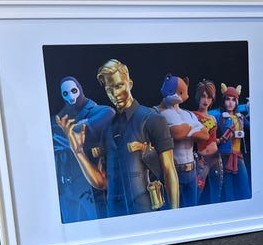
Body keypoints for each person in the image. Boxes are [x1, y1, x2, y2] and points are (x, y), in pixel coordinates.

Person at [57, 60, 179, 217]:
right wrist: (78, 151)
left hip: (146, 213)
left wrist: (175, 216)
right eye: (109, 89)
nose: (115, 94)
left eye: (119, 86)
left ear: (130, 84)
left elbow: (169, 170)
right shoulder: (108, 128)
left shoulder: (152, 119)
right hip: (114, 215)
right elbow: (101, 182)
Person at [51, 76, 114, 222]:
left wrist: (82, 127)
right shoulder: (62, 116)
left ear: (79, 89)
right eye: (66, 93)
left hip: (87, 183)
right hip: (66, 185)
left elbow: (109, 113)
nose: (71, 96)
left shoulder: (94, 110)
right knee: (69, 225)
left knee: (99, 223)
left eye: (73, 91)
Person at [155, 74, 208, 208]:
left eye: (180, 92)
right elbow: (178, 133)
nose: (176, 95)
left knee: (192, 209)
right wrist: (192, 127)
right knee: (171, 210)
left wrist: (184, 129)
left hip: (191, 169)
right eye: (172, 91)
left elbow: (205, 135)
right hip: (172, 171)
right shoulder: (157, 112)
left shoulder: (188, 114)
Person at [213, 83, 251, 202]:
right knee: (228, 191)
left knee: (245, 187)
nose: (230, 103)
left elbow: (253, 127)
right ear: (224, 101)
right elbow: (211, 133)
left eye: (233, 100)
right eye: (228, 99)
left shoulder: (240, 117)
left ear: (237, 102)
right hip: (225, 156)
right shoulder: (219, 118)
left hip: (238, 155)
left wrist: (252, 110)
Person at [192, 79, 223, 205]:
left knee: (217, 194)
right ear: (198, 97)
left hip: (216, 158)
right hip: (202, 160)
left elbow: (213, 139)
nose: (206, 100)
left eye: (209, 97)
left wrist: (222, 140)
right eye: (203, 96)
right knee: (196, 193)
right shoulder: (193, 116)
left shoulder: (213, 118)